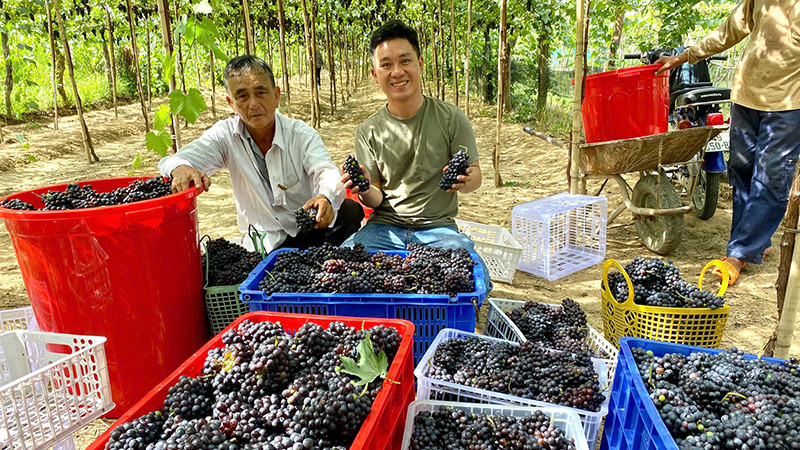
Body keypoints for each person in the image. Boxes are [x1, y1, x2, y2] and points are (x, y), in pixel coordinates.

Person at [655, 0, 800, 285]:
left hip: (788, 105)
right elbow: (730, 31)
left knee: (771, 178)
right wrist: (684, 57)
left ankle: (738, 254)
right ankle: (755, 242)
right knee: (742, 172)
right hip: (745, 96)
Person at [340, 20, 492, 289]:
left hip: (438, 229)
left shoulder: (451, 119)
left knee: (472, 278)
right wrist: (363, 187)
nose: (397, 72)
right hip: (384, 228)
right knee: (342, 269)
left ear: (420, 63)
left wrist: (466, 180)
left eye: (405, 60)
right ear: (375, 74)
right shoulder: (368, 131)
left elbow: (476, 176)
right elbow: (375, 197)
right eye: (386, 65)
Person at [158, 55, 364, 252]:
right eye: (242, 96)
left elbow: (325, 170)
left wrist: (324, 196)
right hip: (264, 242)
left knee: (350, 211)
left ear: (276, 96)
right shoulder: (225, 136)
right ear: (232, 104)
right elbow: (172, 161)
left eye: (261, 92)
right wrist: (180, 167)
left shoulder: (301, 135)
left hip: (310, 228)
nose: (253, 104)